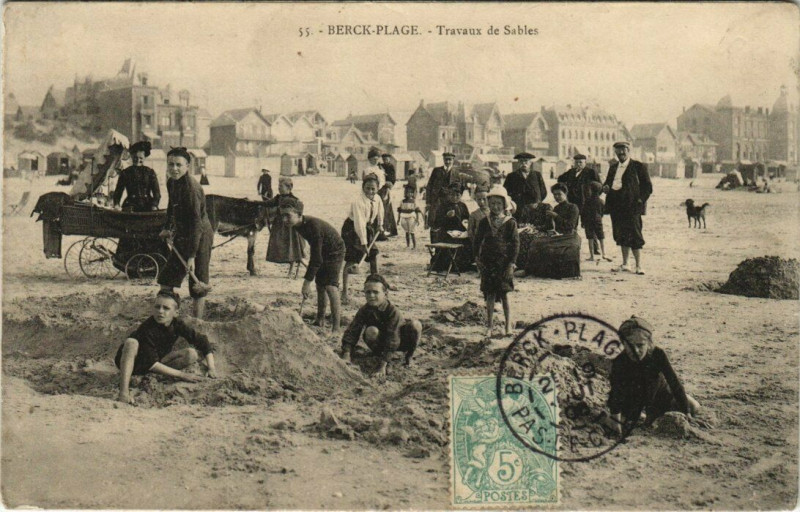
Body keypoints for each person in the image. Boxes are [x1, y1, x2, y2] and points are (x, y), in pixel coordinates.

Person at [115, 290, 216, 405]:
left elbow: (202, 341)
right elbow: (151, 363)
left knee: (191, 354)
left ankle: (151, 376)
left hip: (156, 359)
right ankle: (123, 392)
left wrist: (211, 368)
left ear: (176, 312)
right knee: (131, 342)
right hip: (135, 361)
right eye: (157, 307)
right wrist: (182, 375)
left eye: (166, 308)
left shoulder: (177, 324)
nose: (160, 312)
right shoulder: (147, 328)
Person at [606, 315, 701, 435]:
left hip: (658, 394)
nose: (635, 350)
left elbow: (674, 382)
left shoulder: (658, 355)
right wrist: (616, 419)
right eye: (630, 345)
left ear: (649, 343)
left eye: (640, 345)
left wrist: (686, 411)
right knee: (621, 419)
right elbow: (616, 393)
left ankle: (652, 414)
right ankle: (641, 415)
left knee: (694, 407)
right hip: (633, 399)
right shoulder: (619, 362)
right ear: (623, 343)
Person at [157, 147, 214, 319]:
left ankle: (198, 320)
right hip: (183, 233)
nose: (174, 168)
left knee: (198, 282)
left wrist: (191, 256)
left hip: (201, 235)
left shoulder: (192, 189)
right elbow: (171, 207)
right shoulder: (171, 182)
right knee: (167, 279)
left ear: (187, 166)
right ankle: (169, 314)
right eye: (171, 164)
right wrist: (167, 227)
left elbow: (196, 224)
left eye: (178, 165)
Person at [280, 196, 345, 332]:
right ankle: (319, 320)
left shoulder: (313, 226)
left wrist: (306, 283)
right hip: (323, 251)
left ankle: (336, 328)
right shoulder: (296, 225)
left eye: (288, 216)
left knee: (330, 286)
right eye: (282, 216)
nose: (284, 220)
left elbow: (316, 259)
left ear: (299, 215)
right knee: (320, 285)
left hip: (335, 251)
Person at [340, 274, 422, 378]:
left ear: (385, 293)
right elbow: (353, 331)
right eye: (368, 292)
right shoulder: (364, 310)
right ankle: (379, 355)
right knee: (371, 331)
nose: (371, 295)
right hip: (380, 343)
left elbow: (393, 339)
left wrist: (382, 365)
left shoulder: (392, 311)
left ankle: (409, 356)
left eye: (375, 292)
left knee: (416, 325)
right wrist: (346, 353)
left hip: (399, 341)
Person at [473, 186, 519, 338]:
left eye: (499, 204)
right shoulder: (484, 222)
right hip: (488, 263)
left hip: (504, 263)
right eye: (492, 204)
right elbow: (477, 241)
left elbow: (515, 244)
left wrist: (511, 264)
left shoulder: (510, 222)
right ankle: (489, 326)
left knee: (505, 295)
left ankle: (507, 326)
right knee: (490, 295)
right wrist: (477, 259)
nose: (495, 207)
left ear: (504, 204)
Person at [602, 141, 652, 275]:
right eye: (618, 152)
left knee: (635, 234)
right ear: (615, 153)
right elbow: (608, 182)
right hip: (616, 205)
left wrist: (640, 201)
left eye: (623, 151)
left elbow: (648, 187)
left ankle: (639, 265)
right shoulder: (613, 167)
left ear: (629, 151)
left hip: (632, 206)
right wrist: (605, 187)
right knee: (620, 234)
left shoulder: (638, 166)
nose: (621, 154)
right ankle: (625, 264)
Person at [341, 173, 384, 304]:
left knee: (374, 256)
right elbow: (359, 223)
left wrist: (380, 225)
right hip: (353, 230)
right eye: (367, 188)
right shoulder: (358, 201)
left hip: (368, 228)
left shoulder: (377, 198)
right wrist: (364, 243)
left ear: (377, 188)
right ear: (363, 187)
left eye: (373, 189)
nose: (370, 191)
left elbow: (380, 211)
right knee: (351, 260)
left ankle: (376, 287)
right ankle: (344, 291)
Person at [263, 177, 307, 276]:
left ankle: (306, 268)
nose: (279, 188)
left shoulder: (293, 200)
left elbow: (299, 211)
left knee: (292, 248)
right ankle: (291, 270)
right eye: (278, 186)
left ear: (288, 188)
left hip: (290, 228)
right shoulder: (279, 198)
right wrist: (253, 202)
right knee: (285, 248)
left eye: (281, 186)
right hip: (279, 227)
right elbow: (267, 203)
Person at [431, 182, 472, 271]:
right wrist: (446, 216)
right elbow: (436, 223)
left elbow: (467, 218)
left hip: (460, 232)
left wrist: (466, 222)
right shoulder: (443, 206)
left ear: (461, 195)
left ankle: (463, 264)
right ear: (448, 194)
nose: (454, 197)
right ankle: (451, 265)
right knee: (452, 243)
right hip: (446, 233)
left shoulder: (463, 205)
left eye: (457, 195)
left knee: (469, 241)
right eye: (452, 195)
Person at [112, 141, 160, 212]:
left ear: (145, 157)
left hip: (148, 206)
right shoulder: (125, 173)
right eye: (135, 157)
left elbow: (156, 193)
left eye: (141, 158)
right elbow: (118, 192)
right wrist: (116, 204)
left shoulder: (150, 172)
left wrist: (154, 205)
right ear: (131, 156)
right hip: (130, 205)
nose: (138, 160)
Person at [503, 152, 547, 223]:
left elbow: (543, 192)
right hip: (518, 210)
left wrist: (537, 202)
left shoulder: (537, 175)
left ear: (530, 163)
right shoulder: (511, 176)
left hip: (534, 210)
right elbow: (505, 193)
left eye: (526, 161)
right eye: (521, 161)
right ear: (518, 163)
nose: (523, 163)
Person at [426, 152, 462, 237]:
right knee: (434, 221)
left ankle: (446, 240)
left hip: (450, 201)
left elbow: (459, 188)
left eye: (450, 159)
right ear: (443, 160)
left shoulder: (456, 172)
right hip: (437, 200)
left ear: (453, 160)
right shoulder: (436, 171)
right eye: (446, 159)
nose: (448, 161)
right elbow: (429, 186)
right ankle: (434, 243)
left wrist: (457, 200)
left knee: (449, 220)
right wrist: (428, 201)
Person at [582, 181, 611, 262]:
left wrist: (583, 222)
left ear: (590, 190)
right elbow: (603, 212)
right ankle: (604, 254)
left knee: (590, 238)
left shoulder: (587, 201)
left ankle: (592, 256)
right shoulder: (601, 201)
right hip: (598, 220)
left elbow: (584, 212)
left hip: (588, 221)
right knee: (601, 237)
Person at [397, 184, 423, 249]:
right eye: (408, 192)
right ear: (406, 193)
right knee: (406, 232)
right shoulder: (402, 201)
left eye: (411, 192)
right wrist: (398, 219)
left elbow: (417, 211)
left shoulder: (414, 201)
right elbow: (399, 211)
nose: (410, 194)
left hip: (411, 217)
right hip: (404, 217)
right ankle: (408, 245)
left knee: (412, 232)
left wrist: (417, 219)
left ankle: (414, 246)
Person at [379, 152, 399, 238]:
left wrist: (387, 186)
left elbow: (392, 179)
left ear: (389, 159)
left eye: (386, 159)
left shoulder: (391, 167)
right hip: (380, 188)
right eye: (384, 159)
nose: (385, 161)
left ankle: (389, 229)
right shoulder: (381, 166)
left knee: (386, 208)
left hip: (386, 188)